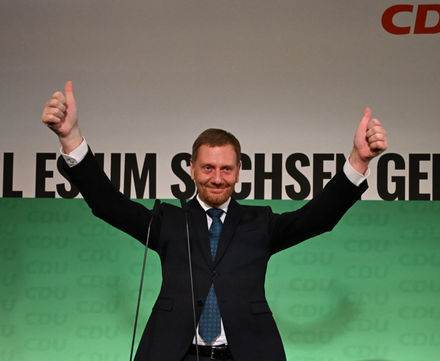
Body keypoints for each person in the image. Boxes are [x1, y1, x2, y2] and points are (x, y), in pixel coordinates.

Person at [41, 81, 387, 361]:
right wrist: (70, 139)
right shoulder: (167, 221)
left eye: (225, 169)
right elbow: (108, 204)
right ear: (191, 168)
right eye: (208, 167)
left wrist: (358, 160)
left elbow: (318, 218)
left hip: (246, 352)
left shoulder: (260, 222)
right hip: (174, 352)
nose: (216, 178)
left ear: (238, 172)